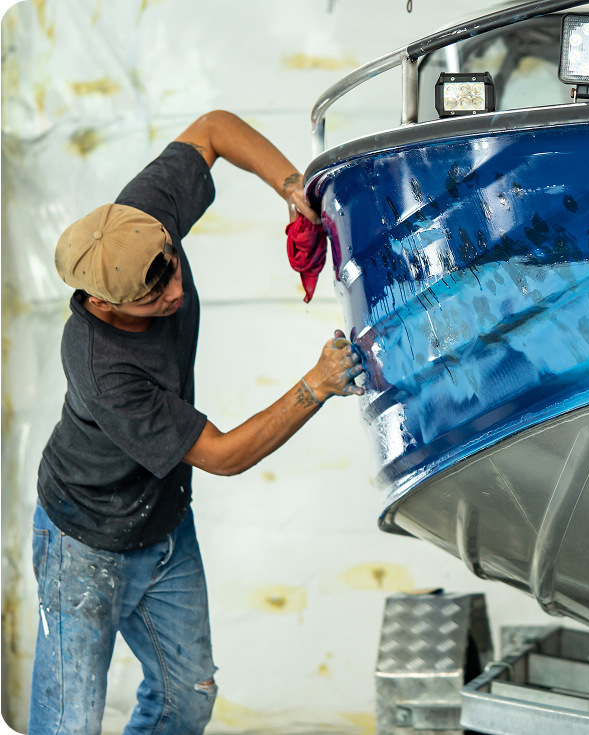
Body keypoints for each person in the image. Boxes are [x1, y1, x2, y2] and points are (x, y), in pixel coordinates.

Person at [29, 110, 362, 734]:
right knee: (68, 726)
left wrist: (290, 185)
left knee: (188, 700)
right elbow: (222, 454)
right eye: (153, 298)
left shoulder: (135, 228)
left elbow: (212, 129)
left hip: (161, 522)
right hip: (83, 542)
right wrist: (315, 385)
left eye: (174, 268)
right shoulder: (106, 369)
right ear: (103, 303)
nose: (175, 293)